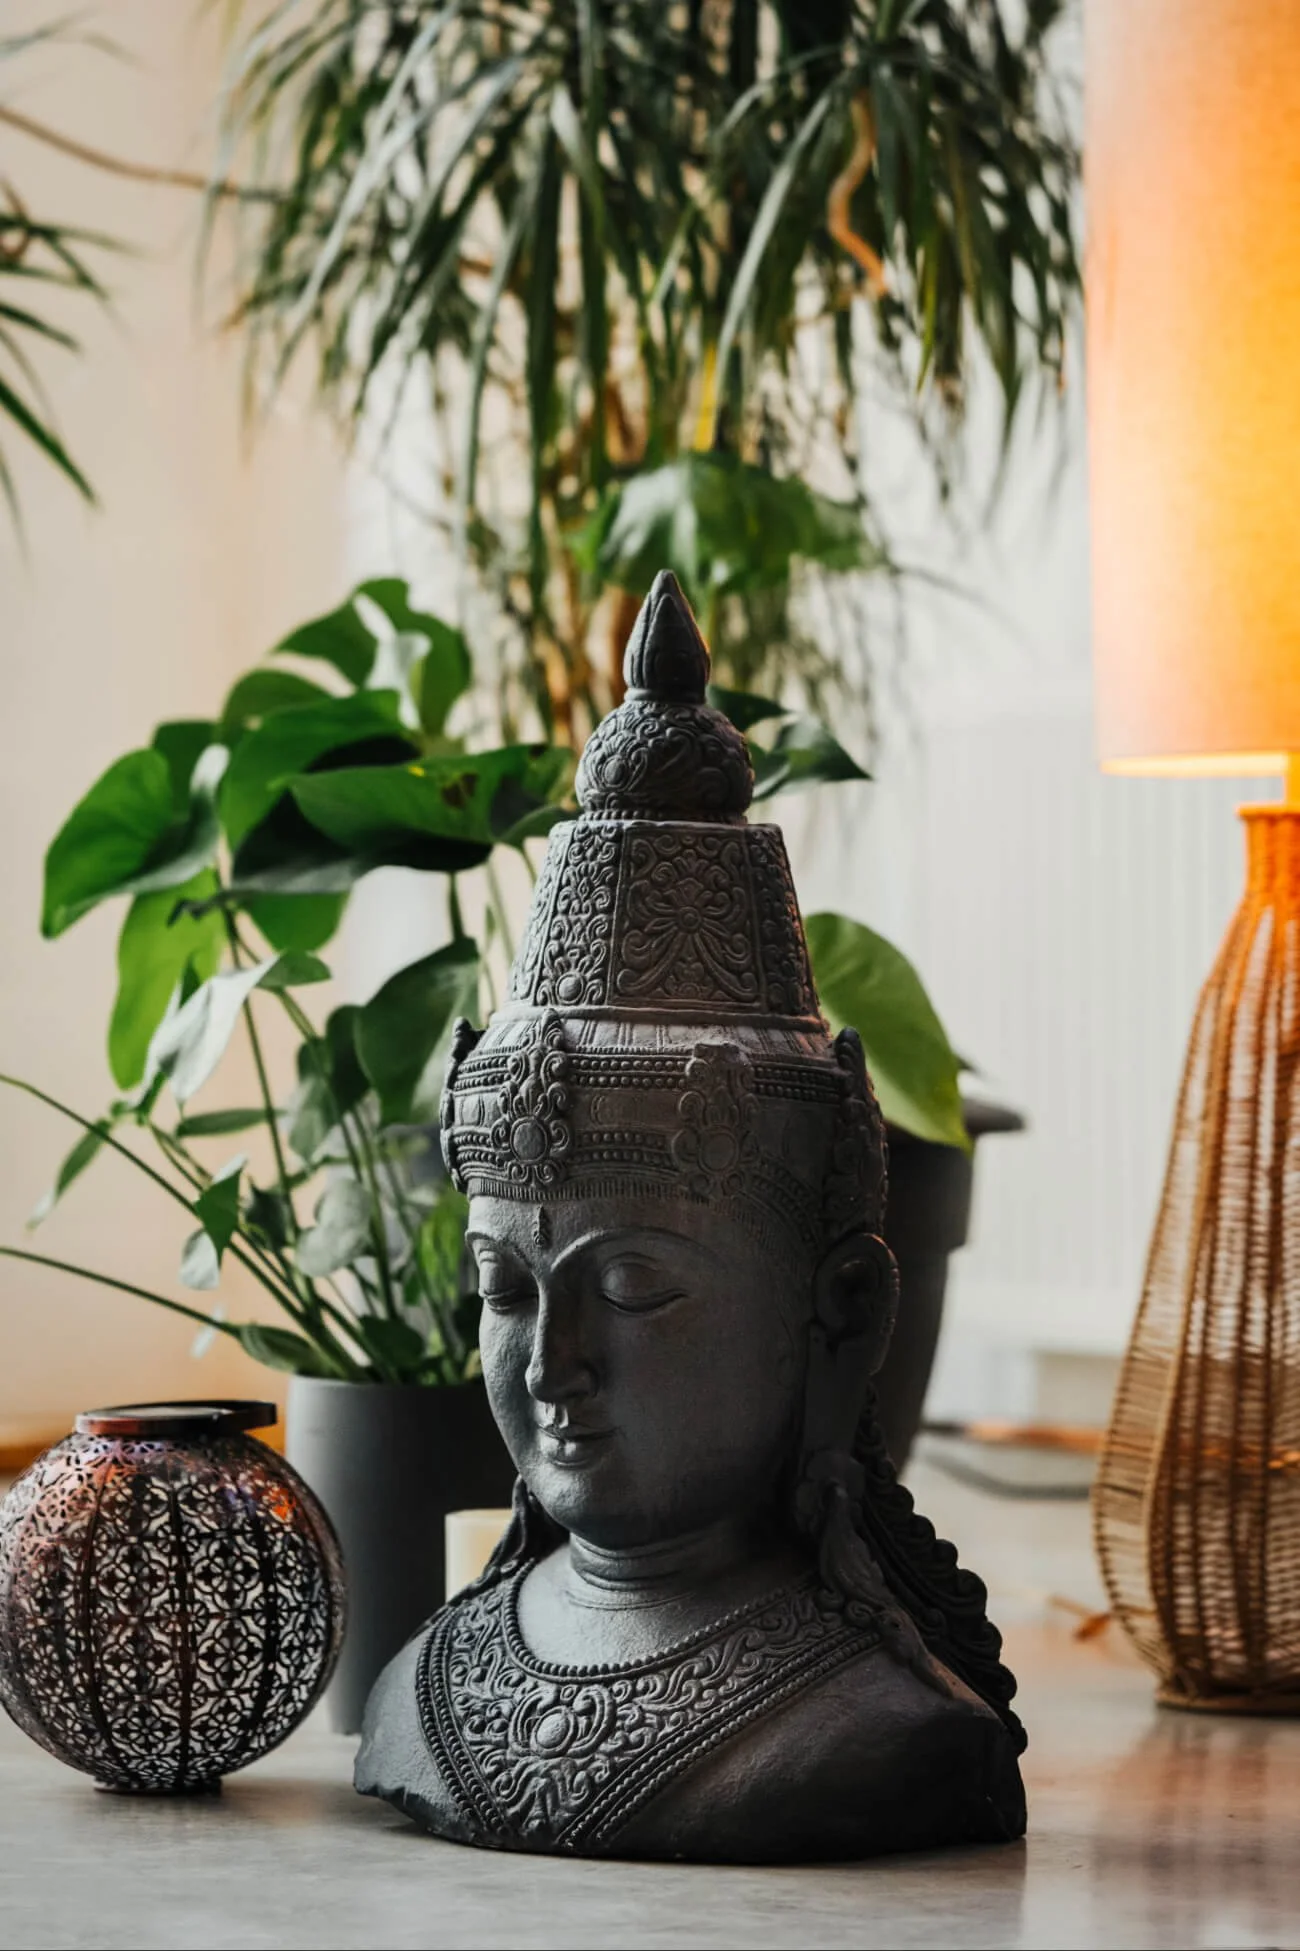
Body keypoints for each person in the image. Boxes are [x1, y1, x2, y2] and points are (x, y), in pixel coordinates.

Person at [355, 573, 1026, 1861]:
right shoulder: (426, 1694)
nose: (550, 1363)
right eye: (506, 1287)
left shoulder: (877, 1724)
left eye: (633, 1290)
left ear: (839, 1318)